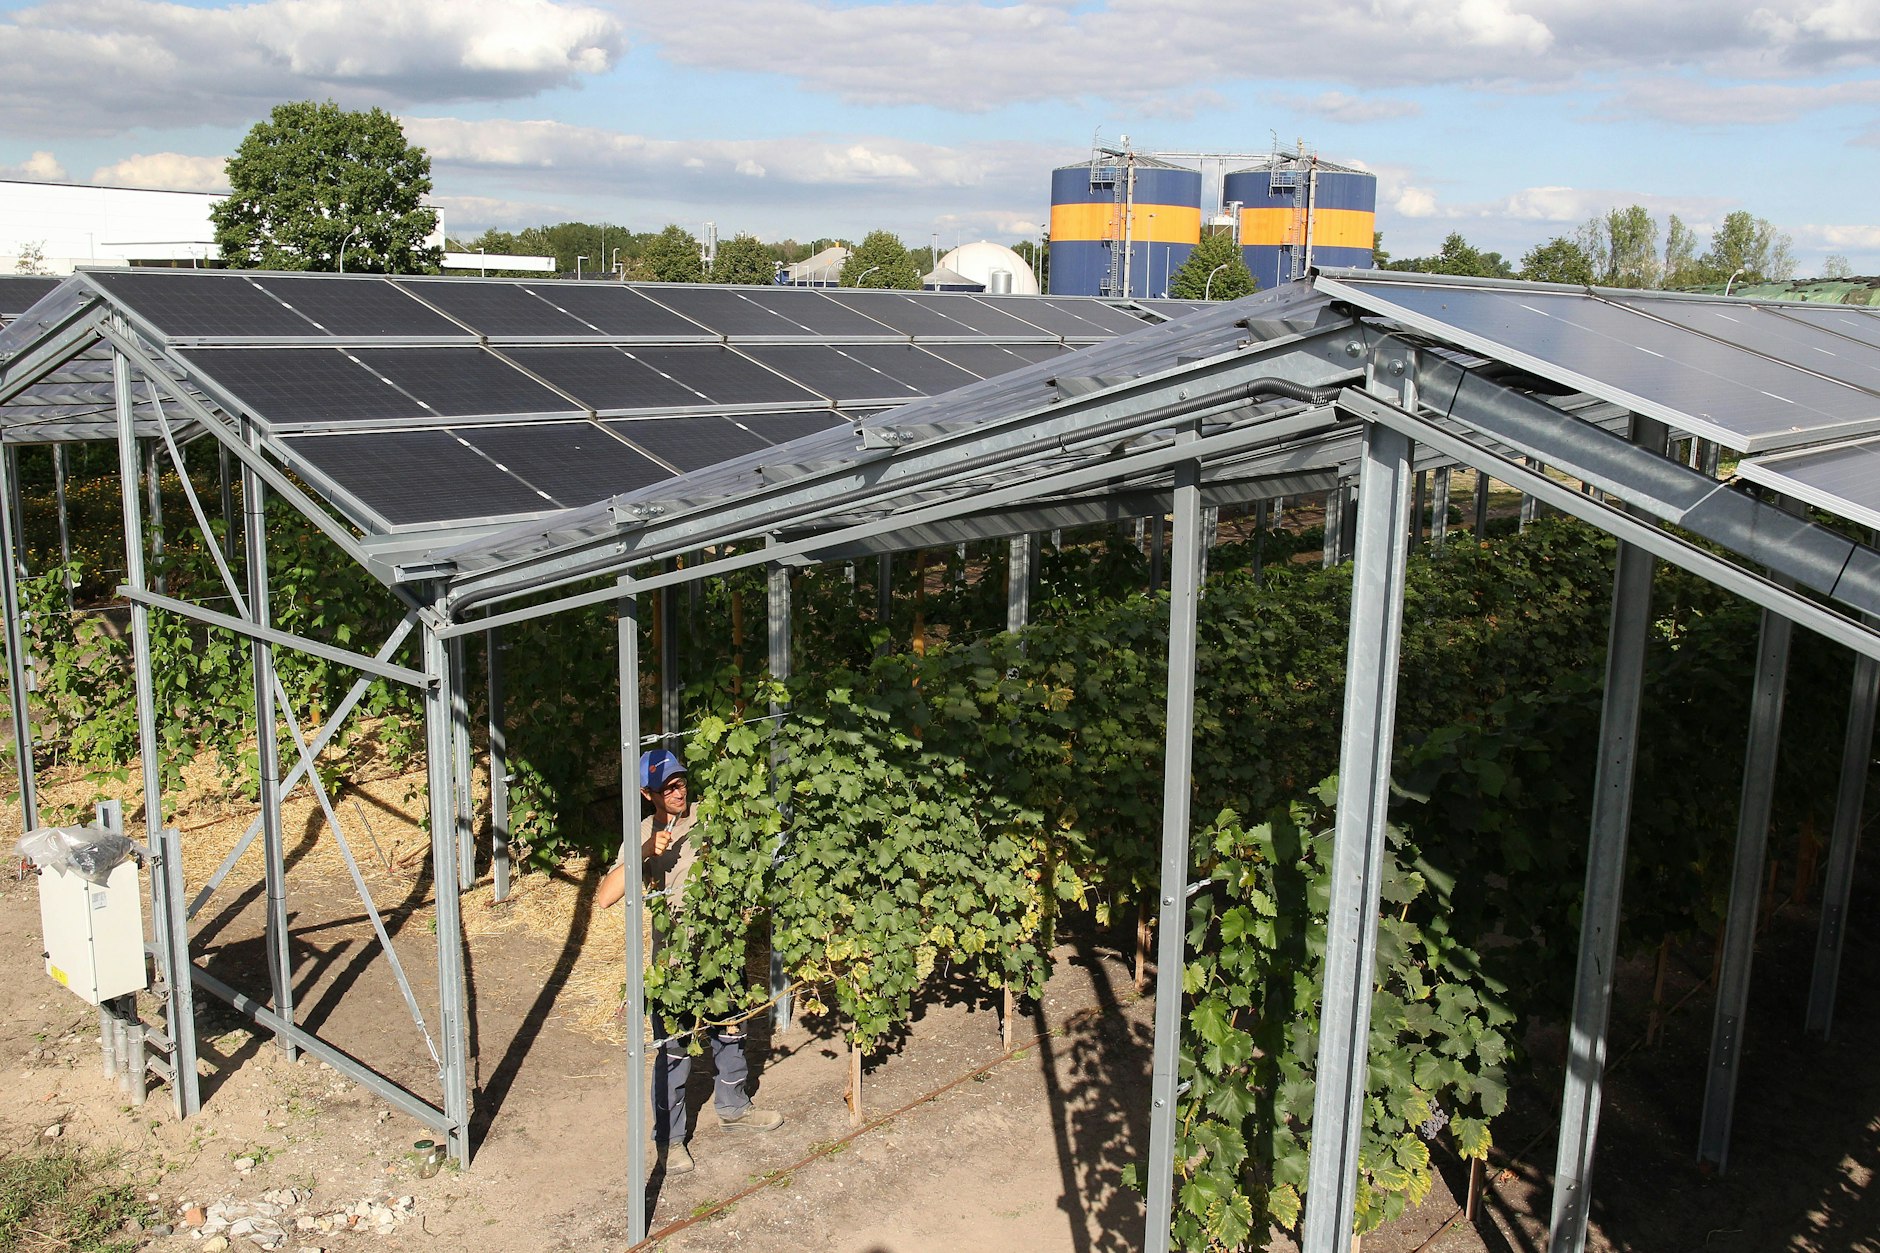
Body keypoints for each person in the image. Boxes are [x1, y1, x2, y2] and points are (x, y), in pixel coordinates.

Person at [596, 749, 783, 1175]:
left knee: (732, 1033)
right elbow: (606, 897)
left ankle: (734, 1110)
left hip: (720, 951)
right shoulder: (641, 833)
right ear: (647, 794)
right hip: (674, 965)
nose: (679, 792)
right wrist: (646, 851)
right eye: (668, 788)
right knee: (674, 1051)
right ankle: (670, 1140)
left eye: (681, 782)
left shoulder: (708, 816)